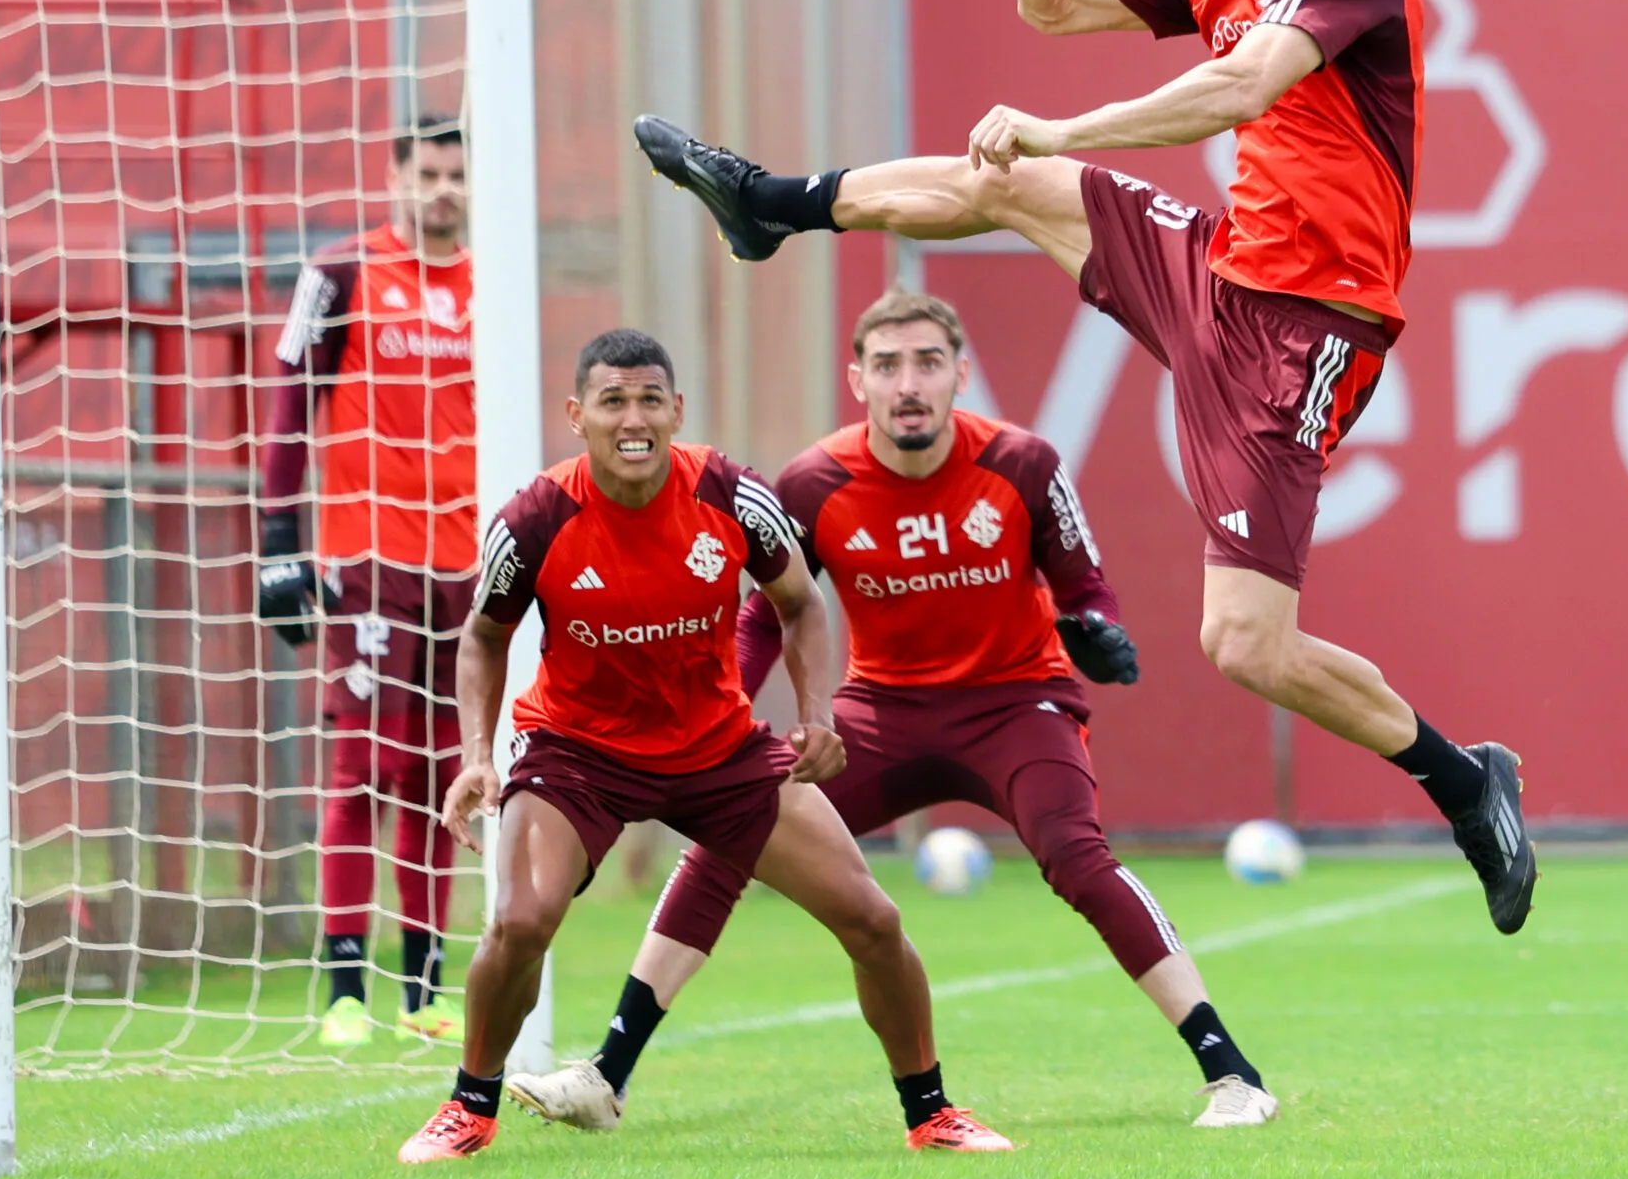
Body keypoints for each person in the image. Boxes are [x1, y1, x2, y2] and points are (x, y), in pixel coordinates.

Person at [632, 0, 1535, 932]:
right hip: (1216, 273)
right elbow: (1052, 2)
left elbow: (1241, 83)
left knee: (1245, 646)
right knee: (1019, 184)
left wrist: (1062, 125)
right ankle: (769, 203)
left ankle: (1467, 782)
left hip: (1307, 331)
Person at [508, 290, 1279, 1133]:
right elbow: (771, 609)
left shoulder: (1024, 463)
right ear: (858, 380)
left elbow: (1085, 586)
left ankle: (1231, 1073)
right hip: (878, 711)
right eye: (887, 365)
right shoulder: (813, 481)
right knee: (727, 838)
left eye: (925, 363)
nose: (907, 383)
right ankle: (605, 1077)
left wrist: (1097, 630)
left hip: (1015, 705)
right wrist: (724, 714)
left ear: (960, 373)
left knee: (1074, 853)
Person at [395, 329, 1013, 1162]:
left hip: (717, 750)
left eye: (651, 398)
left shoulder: (730, 493)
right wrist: (478, 753)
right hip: (578, 752)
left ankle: (932, 1112)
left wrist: (816, 713)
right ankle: (468, 1108)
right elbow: (482, 637)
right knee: (520, 920)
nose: (634, 417)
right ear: (579, 416)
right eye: (613, 401)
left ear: (677, 410)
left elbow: (799, 603)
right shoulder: (536, 516)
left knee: (873, 917)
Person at [259, 115, 478, 1044]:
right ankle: (346, 990)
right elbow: (287, 406)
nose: (441, 189)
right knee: (360, 768)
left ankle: (421, 992)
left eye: (456, 175)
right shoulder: (339, 273)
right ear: (395, 175)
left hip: (465, 566)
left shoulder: (490, 281)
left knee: (440, 773)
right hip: (365, 558)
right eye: (426, 172)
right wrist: (276, 538)